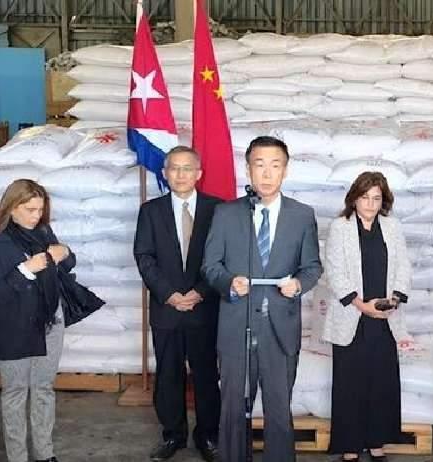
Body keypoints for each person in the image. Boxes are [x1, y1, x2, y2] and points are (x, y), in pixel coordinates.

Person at [202, 135, 323, 462]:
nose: (267, 174)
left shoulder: (302, 215)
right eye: (259, 165)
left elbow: (312, 266)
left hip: (280, 327)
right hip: (236, 326)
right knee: (232, 408)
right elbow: (210, 265)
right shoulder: (226, 214)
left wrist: (298, 285)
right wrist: (229, 283)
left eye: (275, 165)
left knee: (279, 408)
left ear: (285, 170)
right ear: (248, 169)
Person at [133, 146, 223, 462]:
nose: (181, 174)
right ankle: (173, 435)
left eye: (187, 168)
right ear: (165, 173)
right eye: (174, 168)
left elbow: (223, 257)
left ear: (199, 173)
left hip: (205, 308)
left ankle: (208, 436)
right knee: (168, 374)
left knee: (206, 375)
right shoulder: (151, 211)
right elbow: (144, 256)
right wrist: (169, 294)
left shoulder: (218, 209)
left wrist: (200, 292)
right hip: (166, 308)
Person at [322, 172, 414, 462]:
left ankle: (377, 442)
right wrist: (362, 306)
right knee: (350, 382)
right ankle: (349, 446)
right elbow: (334, 271)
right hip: (353, 314)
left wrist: (394, 300)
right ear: (354, 198)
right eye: (365, 197)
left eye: (376, 198)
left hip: (385, 315)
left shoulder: (392, 226)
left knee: (381, 381)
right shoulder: (340, 227)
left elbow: (403, 265)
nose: (370, 204)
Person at [0, 179, 76, 462]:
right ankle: (17, 457)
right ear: (12, 207)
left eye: (40, 210)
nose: (36, 216)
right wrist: (25, 271)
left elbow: (67, 265)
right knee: (16, 391)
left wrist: (65, 253)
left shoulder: (43, 231)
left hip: (49, 321)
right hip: (12, 327)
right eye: (30, 210)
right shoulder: (1, 240)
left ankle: (45, 454)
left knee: (43, 388)